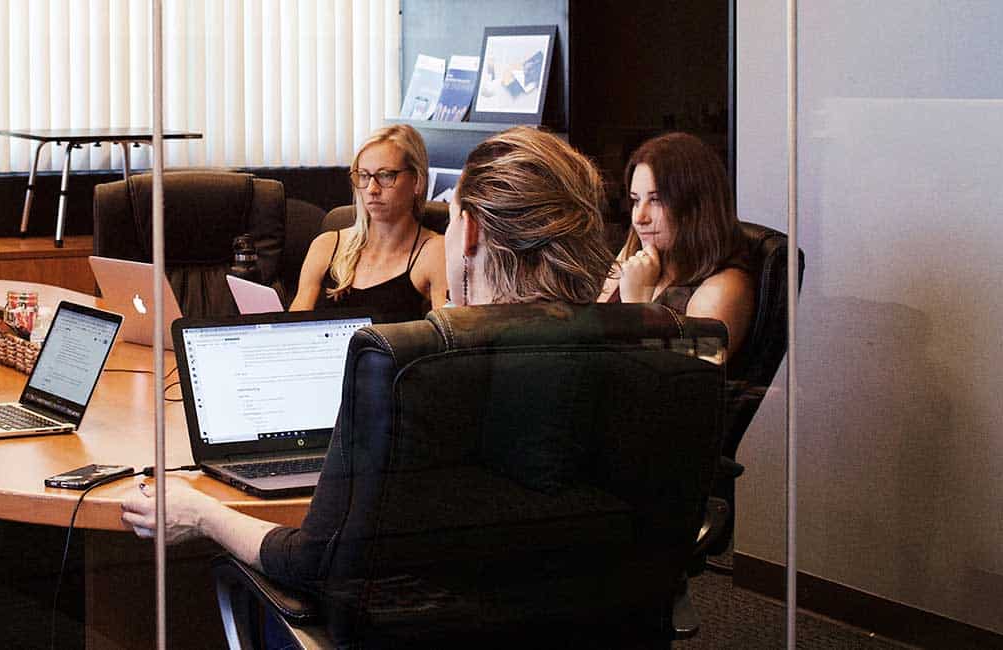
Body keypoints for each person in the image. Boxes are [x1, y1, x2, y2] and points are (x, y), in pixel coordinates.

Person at [120, 125, 613, 582]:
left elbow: (309, 558)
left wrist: (201, 513)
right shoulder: (648, 351)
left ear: (471, 234)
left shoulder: (409, 376)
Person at [599, 132, 755, 358]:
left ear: (695, 205)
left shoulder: (725, 287)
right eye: (635, 201)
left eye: (656, 200)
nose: (639, 218)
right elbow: (591, 339)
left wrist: (637, 306)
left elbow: (688, 374)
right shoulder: (636, 254)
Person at [289, 124, 448, 321]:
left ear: (417, 181)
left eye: (385, 175)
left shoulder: (435, 251)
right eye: (364, 176)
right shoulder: (326, 245)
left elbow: (450, 337)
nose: (372, 189)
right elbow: (292, 329)